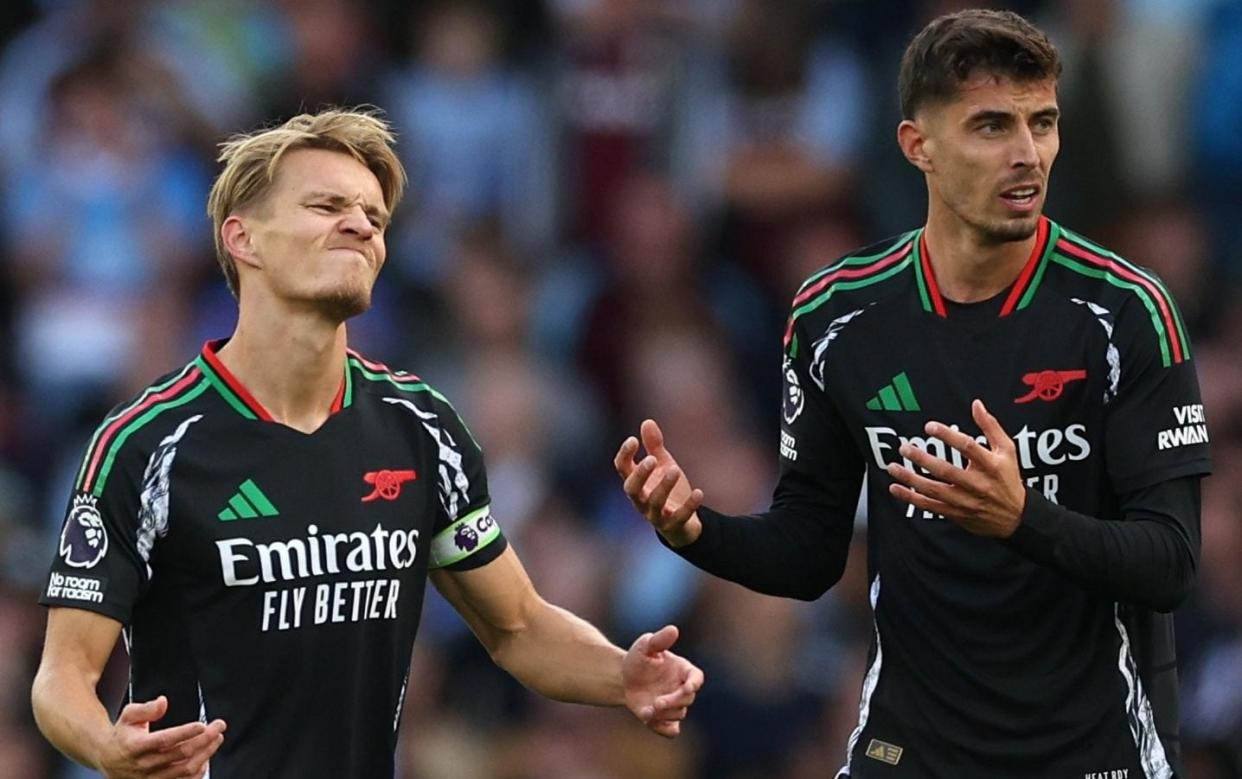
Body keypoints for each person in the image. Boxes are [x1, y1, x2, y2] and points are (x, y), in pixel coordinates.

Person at [617, 9, 1210, 778]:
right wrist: (696, 530)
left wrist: (1021, 517)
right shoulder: (837, 316)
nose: (1028, 154)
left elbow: (1171, 560)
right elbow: (810, 551)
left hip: (1088, 750)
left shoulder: (1127, 312)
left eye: (1043, 122)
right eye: (992, 127)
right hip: (911, 748)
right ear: (917, 145)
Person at [31, 107, 703, 779]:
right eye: (326, 205)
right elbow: (62, 675)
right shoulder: (147, 445)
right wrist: (105, 746)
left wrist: (622, 674)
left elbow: (518, 626)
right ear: (243, 239)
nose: (360, 225)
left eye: (375, 218)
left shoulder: (423, 428)